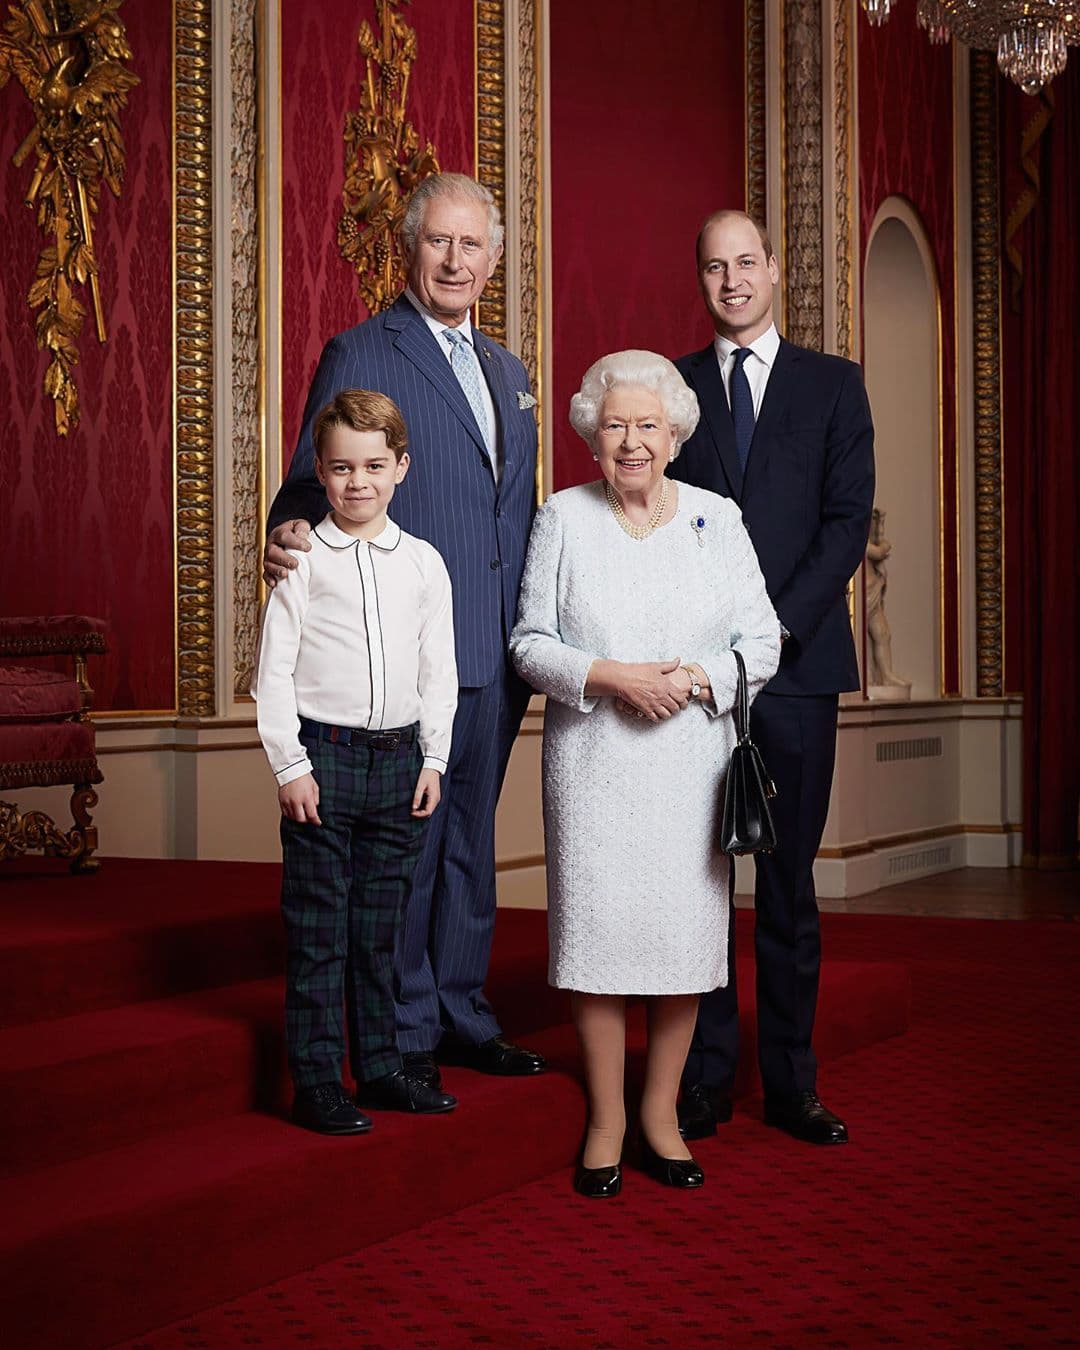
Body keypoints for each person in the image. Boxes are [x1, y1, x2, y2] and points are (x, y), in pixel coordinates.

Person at [264, 174, 546, 1089]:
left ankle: (463, 1010)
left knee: (471, 842)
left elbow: (513, 511)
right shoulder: (363, 349)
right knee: (410, 857)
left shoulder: (508, 370)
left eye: (473, 247)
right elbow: (311, 483)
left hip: (499, 648)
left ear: (494, 260)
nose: (456, 262)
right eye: (439, 243)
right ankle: (401, 1032)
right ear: (410, 248)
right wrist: (289, 533)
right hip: (407, 649)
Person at [510, 350, 781, 1196]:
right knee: (596, 940)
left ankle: (661, 1116)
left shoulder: (717, 518)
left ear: (675, 434)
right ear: (593, 434)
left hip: (689, 763)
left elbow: (762, 641)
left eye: (648, 426)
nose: (632, 442)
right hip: (592, 761)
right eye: (616, 425)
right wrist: (612, 677)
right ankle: (606, 1118)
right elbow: (529, 643)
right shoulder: (563, 516)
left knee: (681, 943)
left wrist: (694, 681)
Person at [669, 210, 875, 1146]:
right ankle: (705, 1077)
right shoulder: (667, 390)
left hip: (794, 672)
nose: (731, 281)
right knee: (703, 885)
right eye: (715, 268)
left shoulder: (835, 387)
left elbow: (844, 526)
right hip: (698, 680)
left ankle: (791, 1081)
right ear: (702, 279)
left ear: (776, 271)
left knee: (787, 886)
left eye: (745, 263)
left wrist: (771, 634)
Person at [252, 389, 459, 1133]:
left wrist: (433, 758)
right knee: (318, 930)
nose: (358, 482)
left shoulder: (425, 564)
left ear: (401, 467)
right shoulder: (303, 561)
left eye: (375, 465)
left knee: (380, 930)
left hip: (399, 763)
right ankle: (316, 1080)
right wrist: (288, 765)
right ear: (320, 469)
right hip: (324, 761)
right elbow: (270, 673)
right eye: (342, 468)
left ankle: (379, 1068)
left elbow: (439, 670)